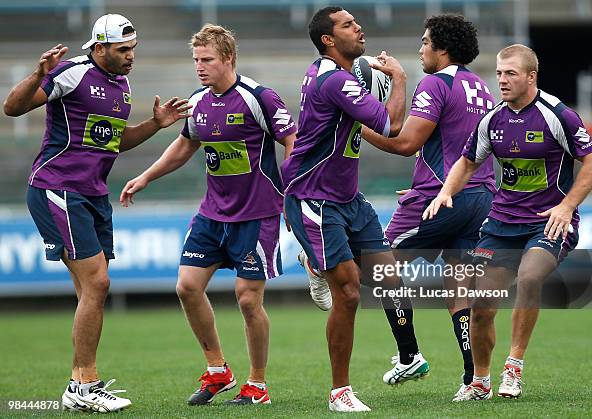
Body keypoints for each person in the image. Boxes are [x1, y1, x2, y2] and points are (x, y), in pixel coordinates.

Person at [3, 14, 190, 413]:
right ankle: (82, 383)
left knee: (91, 289)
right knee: (98, 283)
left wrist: (156, 126)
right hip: (59, 188)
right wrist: (38, 75)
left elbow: (112, 142)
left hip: (92, 194)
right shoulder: (72, 73)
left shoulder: (120, 85)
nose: (130, 57)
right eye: (123, 50)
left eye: (132, 50)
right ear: (100, 47)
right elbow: (12, 108)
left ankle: (86, 383)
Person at [119, 24, 296, 406]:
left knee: (248, 301)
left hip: (257, 214)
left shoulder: (259, 98)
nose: (199, 67)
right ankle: (218, 369)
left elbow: (292, 142)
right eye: (196, 60)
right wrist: (146, 176)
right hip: (212, 215)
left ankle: (257, 385)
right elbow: (185, 145)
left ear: (228, 58)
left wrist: (292, 189)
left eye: (207, 60)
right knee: (186, 287)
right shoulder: (198, 101)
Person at [423, 44, 592, 400]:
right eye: (499, 73)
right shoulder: (492, 119)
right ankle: (479, 381)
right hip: (501, 225)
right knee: (480, 308)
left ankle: (513, 368)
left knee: (530, 275)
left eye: (511, 74)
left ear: (531, 77)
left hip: (548, 223)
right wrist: (446, 191)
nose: (502, 80)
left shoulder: (558, 114)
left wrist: (566, 207)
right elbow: (468, 161)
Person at [359, 14, 496, 399]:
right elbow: (454, 146)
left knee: (378, 265)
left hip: (441, 198)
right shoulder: (480, 87)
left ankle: (409, 354)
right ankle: (474, 380)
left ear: (442, 48)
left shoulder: (435, 82)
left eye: (424, 42)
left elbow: (405, 143)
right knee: (459, 288)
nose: (420, 49)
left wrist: (355, 124)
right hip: (480, 196)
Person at [282, 6, 408, 412]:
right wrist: (400, 79)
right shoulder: (334, 80)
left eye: (356, 21)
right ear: (328, 40)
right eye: (348, 25)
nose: (359, 27)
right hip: (313, 198)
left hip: (348, 198)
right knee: (351, 291)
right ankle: (340, 392)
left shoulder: (328, 73)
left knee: (389, 278)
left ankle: (315, 262)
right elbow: (390, 124)